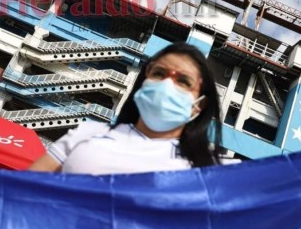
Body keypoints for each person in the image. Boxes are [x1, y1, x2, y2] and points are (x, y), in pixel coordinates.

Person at [28, 43, 223, 174]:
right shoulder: (88, 133)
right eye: (158, 73)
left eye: (183, 81)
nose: (166, 85)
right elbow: (21, 191)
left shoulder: (209, 169)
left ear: (199, 105)